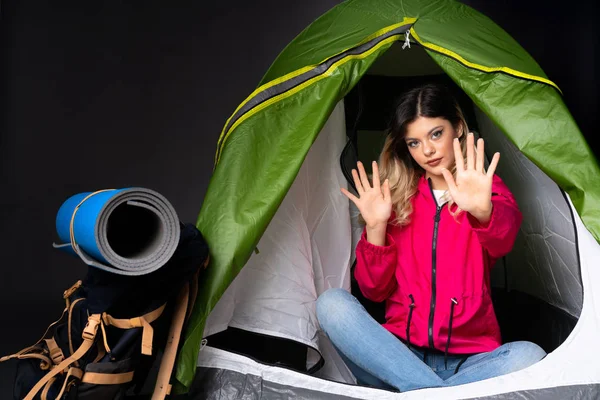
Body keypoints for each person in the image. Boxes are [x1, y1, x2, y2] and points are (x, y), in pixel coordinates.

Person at [316, 83, 546, 392]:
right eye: (414, 142)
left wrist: (482, 211)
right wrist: (375, 228)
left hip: (470, 361)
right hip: (396, 354)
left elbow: (503, 241)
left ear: (459, 127)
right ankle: (436, 391)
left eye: (436, 134)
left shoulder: (483, 188)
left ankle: (417, 391)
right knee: (331, 304)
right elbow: (373, 291)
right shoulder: (396, 198)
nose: (427, 151)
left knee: (530, 356)